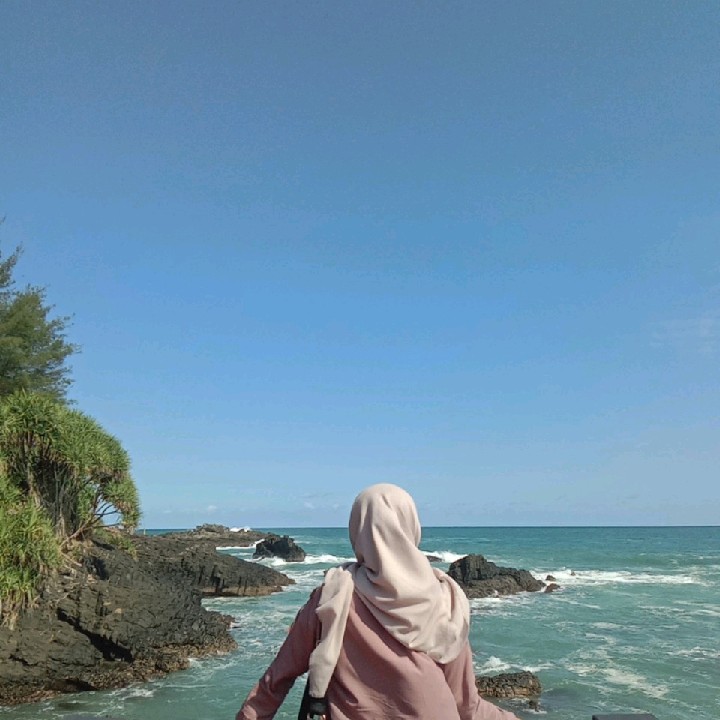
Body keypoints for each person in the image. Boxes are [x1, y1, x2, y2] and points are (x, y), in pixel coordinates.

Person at [236, 483, 520, 720]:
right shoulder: (446, 598)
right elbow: (466, 705)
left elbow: (276, 680)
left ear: (357, 530)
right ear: (411, 526)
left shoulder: (332, 595)